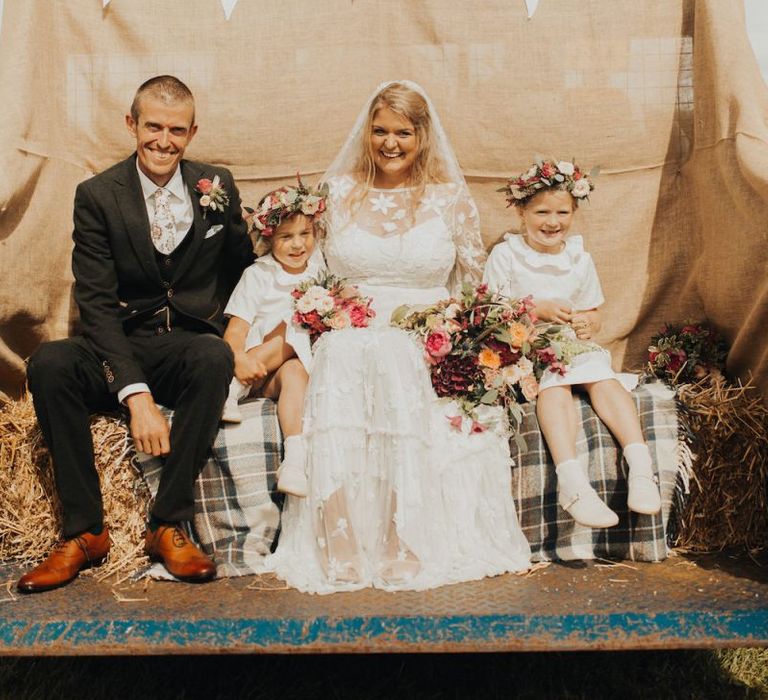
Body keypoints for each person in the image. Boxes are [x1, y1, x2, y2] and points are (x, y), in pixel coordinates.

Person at [266, 80, 531, 593]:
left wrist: (461, 340)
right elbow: (310, 272)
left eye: (403, 132)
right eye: (380, 131)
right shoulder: (338, 194)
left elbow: (472, 283)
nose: (390, 143)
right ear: (367, 133)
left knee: (390, 353)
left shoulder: (448, 198)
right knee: (348, 352)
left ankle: (396, 533)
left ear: (422, 136)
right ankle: (338, 534)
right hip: (348, 328)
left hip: (424, 332)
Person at [18, 75, 254, 592]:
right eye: (153, 127)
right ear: (132, 124)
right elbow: (96, 304)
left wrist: (254, 330)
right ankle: (85, 533)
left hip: (186, 347)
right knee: (50, 363)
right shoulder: (98, 195)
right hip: (117, 344)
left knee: (213, 356)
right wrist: (135, 394)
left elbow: (244, 269)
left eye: (176, 130)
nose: (163, 141)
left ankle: (168, 524)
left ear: (192, 133)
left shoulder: (217, 185)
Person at [483, 158, 662, 528]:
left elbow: (592, 312)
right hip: (523, 345)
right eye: (541, 211)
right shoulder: (507, 255)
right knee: (556, 385)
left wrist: (586, 323)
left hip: (570, 345)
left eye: (562, 212)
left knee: (603, 377)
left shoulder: (578, 258)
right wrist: (534, 309)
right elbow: (491, 312)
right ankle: (573, 482)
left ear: (574, 212)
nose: (553, 221)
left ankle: (641, 466)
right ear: (521, 211)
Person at [222, 178, 327, 497]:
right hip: (249, 371)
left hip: (285, 374)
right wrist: (237, 365)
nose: (298, 245)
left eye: (304, 234)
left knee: (295, 368)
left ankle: (295, 459)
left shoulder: (320, 271)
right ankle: (228, 393)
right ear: (269, 238)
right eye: (286, 237)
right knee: (291, 324)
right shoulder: (259, 274)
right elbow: (235, 331)